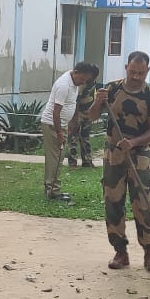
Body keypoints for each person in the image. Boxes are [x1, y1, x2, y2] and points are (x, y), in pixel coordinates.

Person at [90, 51, 150, 272]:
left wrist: (133, 143)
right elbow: (91, 116)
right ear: (126, 68)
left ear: (147, 71)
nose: (136, 77)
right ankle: (120, 251)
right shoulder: (111, 90)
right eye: (132, 72)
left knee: (145, 202)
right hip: (114, 154)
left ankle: (149, 251)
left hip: (140, 155)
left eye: (141, 73)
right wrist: (97, 102)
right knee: (113, 202)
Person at [40, 62, 100, 200]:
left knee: (58, 157)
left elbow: (72, 103)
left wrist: (73, 121)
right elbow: (56, 113)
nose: (83, 82)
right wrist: (59, 132)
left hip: (61, 124)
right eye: (82, 79)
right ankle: (53, 191)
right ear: (76, 72)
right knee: (55, 158)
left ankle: (52, 188)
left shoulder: (74, 82)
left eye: (85, 80)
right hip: (52, 125)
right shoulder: (64, 85)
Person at [67, 74, 99, 168]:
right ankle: (72, 161)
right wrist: (75, 117)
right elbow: (76, 100)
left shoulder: (93, 83)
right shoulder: (82, 84)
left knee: (85, 138)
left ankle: (87, 161)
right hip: (78, 114)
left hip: (87, 115)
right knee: (73, 138)